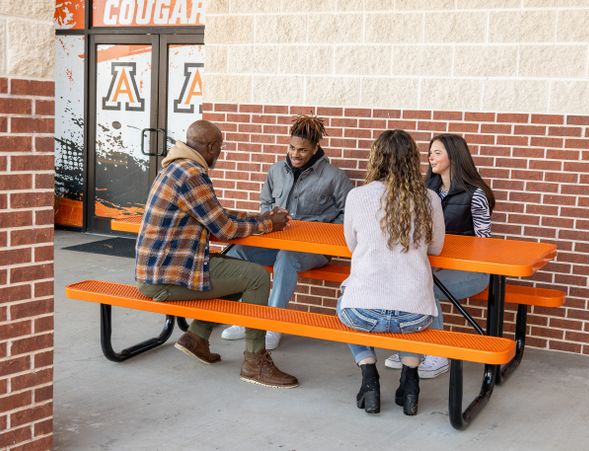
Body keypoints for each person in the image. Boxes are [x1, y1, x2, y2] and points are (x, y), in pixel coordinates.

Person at [135, 119, 299, 389]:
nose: (219, 155)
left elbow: (213, 214)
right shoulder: (191, 174)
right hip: (164, 279)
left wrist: (257, 217)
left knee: (235, 267)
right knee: (256, 277)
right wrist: (269, 224)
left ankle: (197, 337)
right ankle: (254, 361)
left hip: (160, 270)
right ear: (211, 147)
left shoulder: (176, 167)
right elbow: (224, 228)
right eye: (220, 148)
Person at [221, 114, 353, 349]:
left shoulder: (335, 177)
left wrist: (323, 232)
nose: (295, 154)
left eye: (302, 150)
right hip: (277, 243)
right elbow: (264, 204)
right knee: (236, 252)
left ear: (315, 148)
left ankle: (273, 325)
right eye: (292, 147)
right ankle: (247, 317)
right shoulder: (275, 171)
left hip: (313, 252)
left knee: (287, 257)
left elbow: (349, 215)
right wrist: (270, 217)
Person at [337, 129, 445, 416]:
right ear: (413, 160)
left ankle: (368, 373)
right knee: (419, 303)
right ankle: (410, 381)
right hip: (415, 316)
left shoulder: (357, 195)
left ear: (376, 159)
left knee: (347, 295)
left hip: (363, 314)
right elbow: (436, 248)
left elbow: (351, 244)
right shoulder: (429, 198)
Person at [384, 133, 495, 378]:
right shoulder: (425, 191)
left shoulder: (475, 194)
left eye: (437, 153)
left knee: (427, 288)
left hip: (472, 272)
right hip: (433, 267)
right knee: (407, 282)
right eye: (430, 152)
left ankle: (437, 354)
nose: (430, 158)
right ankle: (409, 349)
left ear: (454, 157)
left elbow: (485, 243)